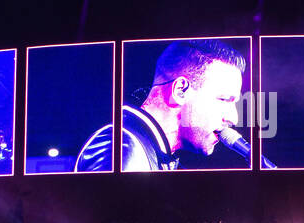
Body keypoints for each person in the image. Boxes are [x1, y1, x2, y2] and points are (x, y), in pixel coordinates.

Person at [75, 39, 245, 172]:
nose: (233, 118)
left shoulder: (148, 150)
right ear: (180, 91)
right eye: (223, 99)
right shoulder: (124, 147)